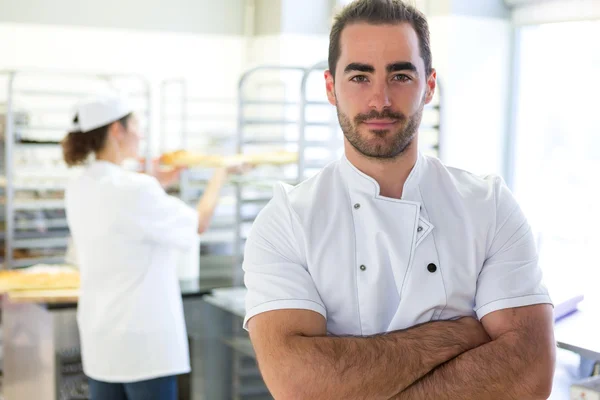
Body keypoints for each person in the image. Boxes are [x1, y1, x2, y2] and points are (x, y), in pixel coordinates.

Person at [243, 1, 556, 399]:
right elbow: (299, 385)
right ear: (329, 87)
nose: (380, 100)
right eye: (359, 76)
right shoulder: (288, 219)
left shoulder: (488, 205)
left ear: (429, 86)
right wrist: (459, 334)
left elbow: (530, 374)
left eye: (401, 75)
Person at [62, 95, 246, 400]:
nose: (140, 133)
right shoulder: (136, 189)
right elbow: (198, 223)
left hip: (101, 338)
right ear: (116, 130)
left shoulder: (80, 184)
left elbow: (124, 212)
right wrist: (221, 173)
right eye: (135, 124)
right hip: (143, 344)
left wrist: (155, 181)